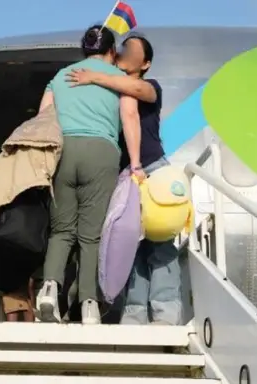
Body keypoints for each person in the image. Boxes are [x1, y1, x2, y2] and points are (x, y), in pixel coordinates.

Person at [66, 34, 182, 326]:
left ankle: (166, 312)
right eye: (122, 48)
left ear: (146, 64)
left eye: (132, 49)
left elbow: (136, 88)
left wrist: (93, 75)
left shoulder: (149, 87)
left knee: (160, 243)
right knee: (130, 247)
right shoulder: (108, 91)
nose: (124, 52)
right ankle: (134, 313)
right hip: (123, 175)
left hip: (152, 169)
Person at [35, 25, 144, 325]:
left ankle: (48, 289)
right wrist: (135, 164)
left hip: (62, 151)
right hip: (101, 152)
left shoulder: (60, 77)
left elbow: (43, 117)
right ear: (111, 51)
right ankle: (89, 306)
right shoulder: (119, 78)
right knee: (92, 234)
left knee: (61, 230)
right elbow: (130, 116)